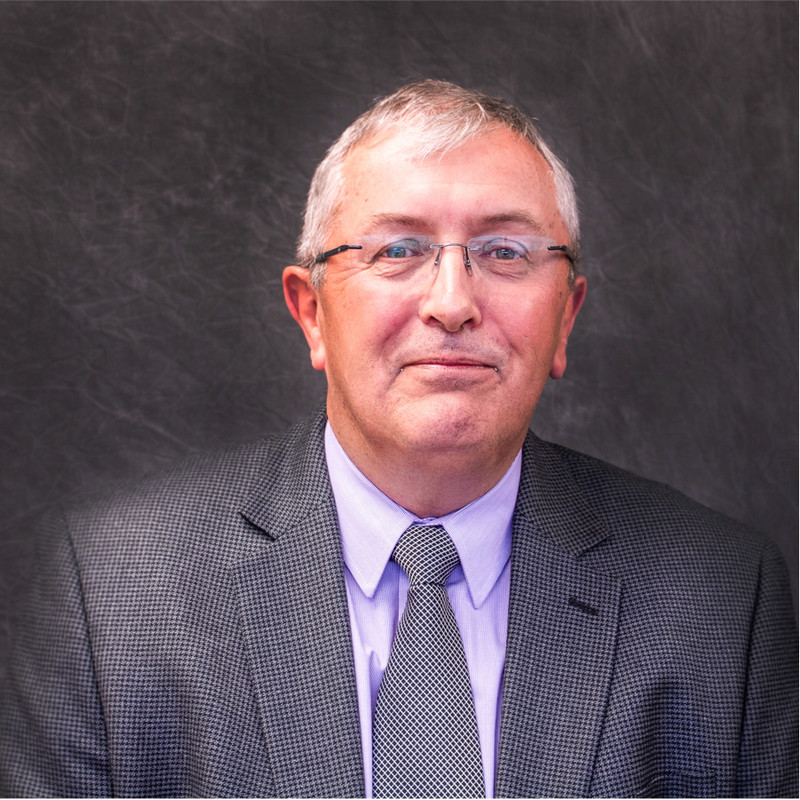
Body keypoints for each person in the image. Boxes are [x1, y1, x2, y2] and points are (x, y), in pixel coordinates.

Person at [1, 80, 795, 799]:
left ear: (566, 316)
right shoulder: (111, 594)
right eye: (398, 250)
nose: (452, 303)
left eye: (504, 252)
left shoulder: (720, 597)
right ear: (312, 313)